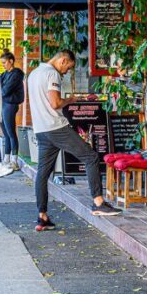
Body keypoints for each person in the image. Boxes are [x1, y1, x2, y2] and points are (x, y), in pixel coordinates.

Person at [27, 49, 120, 232]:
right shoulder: (51, 73)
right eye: (68, 67)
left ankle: (42, 216)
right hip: (56, 127)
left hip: (41, 129)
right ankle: (98, 202)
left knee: (43, 174)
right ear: (62, 60)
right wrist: (70, 100)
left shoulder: (34, 73)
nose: (66, 72)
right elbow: (54, 103)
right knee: (91, 156)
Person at [0, 52, 24, 166]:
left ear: (11, 61)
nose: (3, 65)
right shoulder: (4, 74)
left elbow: (5, 90)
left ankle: (14, 160)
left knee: (11, 132)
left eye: (4, 63)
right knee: (6, 133)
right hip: (3, 103)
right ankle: (6, 158)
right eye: (2, 63)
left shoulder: (16, 74)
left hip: (10, 104)